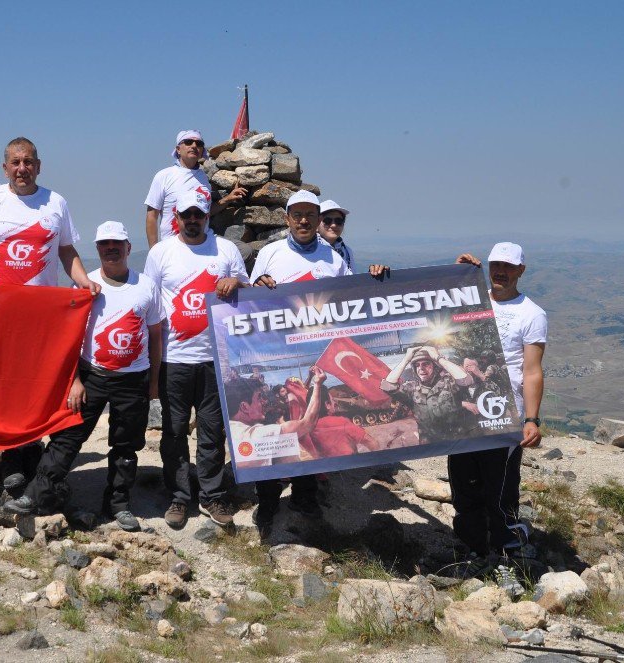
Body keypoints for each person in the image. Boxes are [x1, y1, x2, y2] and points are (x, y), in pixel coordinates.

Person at [5, 221, 163, 531]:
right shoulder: (84, 284)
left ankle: (117, 505)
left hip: (134, 378)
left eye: (117, 243)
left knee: (126, 445)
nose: (111, 249)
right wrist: (73, 379)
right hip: (92, 375)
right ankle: (36, 495)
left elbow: (156, 335)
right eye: (104, 244)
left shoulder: (147, 286)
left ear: (129, 248)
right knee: (68, 436)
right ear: (98, 249)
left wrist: (154, 382)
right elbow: (68, 338)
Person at [249, 190, 388, 536]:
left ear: (317, 217)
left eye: (310, 214)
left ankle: (305, 497)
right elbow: (251, 304)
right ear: (287, 218)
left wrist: (375, 278)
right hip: (280, 343)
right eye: (297, 214)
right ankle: (267, 502)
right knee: (280, 430)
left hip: (317, 353)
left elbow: (348, 302)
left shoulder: (333, 257)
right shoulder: (270, 253)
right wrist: (259, 283)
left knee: (311, 429)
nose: (304, 220)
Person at [0, 136, 99, 493]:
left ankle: (33, 450)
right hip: (1, 312)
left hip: (44, 316)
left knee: (41, 383)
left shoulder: (55, 202)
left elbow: (66, 249)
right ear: (4, 167)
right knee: (7, 385)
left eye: (28, 162)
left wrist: (84, 280)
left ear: (38, 165)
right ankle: (10, 457)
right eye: (15, 162)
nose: (22, 169)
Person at [144, 190, 249, 528]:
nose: (192, 220)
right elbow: (149, 301)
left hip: (216, 359)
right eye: (185, 214)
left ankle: (212, 496)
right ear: (176, 216)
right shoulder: (162, 252)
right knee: (173, 432)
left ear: (207, 216)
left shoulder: (226, 249)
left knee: (212, 431)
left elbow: (248, 294)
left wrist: (236, 281)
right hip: (174, 358)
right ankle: (178, 497)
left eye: (198, 214)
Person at [452, 242, 547, 560]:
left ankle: (506, 546)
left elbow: (532, 371)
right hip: (467, 411)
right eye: (496, 265)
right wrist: (459, 276)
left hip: (505, 412)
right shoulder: (473, 303)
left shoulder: (532, 314)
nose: (501, 272)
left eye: (508, 266)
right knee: (464, 479)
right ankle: (472, 546)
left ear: (521, 270)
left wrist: (531, 418)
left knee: (498, 484)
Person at [144, 130, 247, 247]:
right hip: (174, 244)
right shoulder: (164, 176)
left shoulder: (203, 178)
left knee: (244, 251)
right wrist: (154, 250)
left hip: (205, 241)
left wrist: (227, 199)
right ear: (178, 149)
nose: (194, 146)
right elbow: (152, 216)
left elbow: (204, 211)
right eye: (188, 142)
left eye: (199, 144)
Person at [381, 346, 476, 443]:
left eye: (426, 364)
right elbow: (387, 386)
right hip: (430, 444)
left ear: (435, 366)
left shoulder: (449, 382)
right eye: (417, 365)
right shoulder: (412, 388)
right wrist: (406, 360)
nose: (421, 368)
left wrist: (437, 358)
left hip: (457, 440)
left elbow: (466, 380)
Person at [318, 200, 353, 271]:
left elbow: (352, 278)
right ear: (316, 224)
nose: (333, 225)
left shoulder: (347, 251)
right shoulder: (309, 249)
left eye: (338, 221)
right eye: (327, 221)